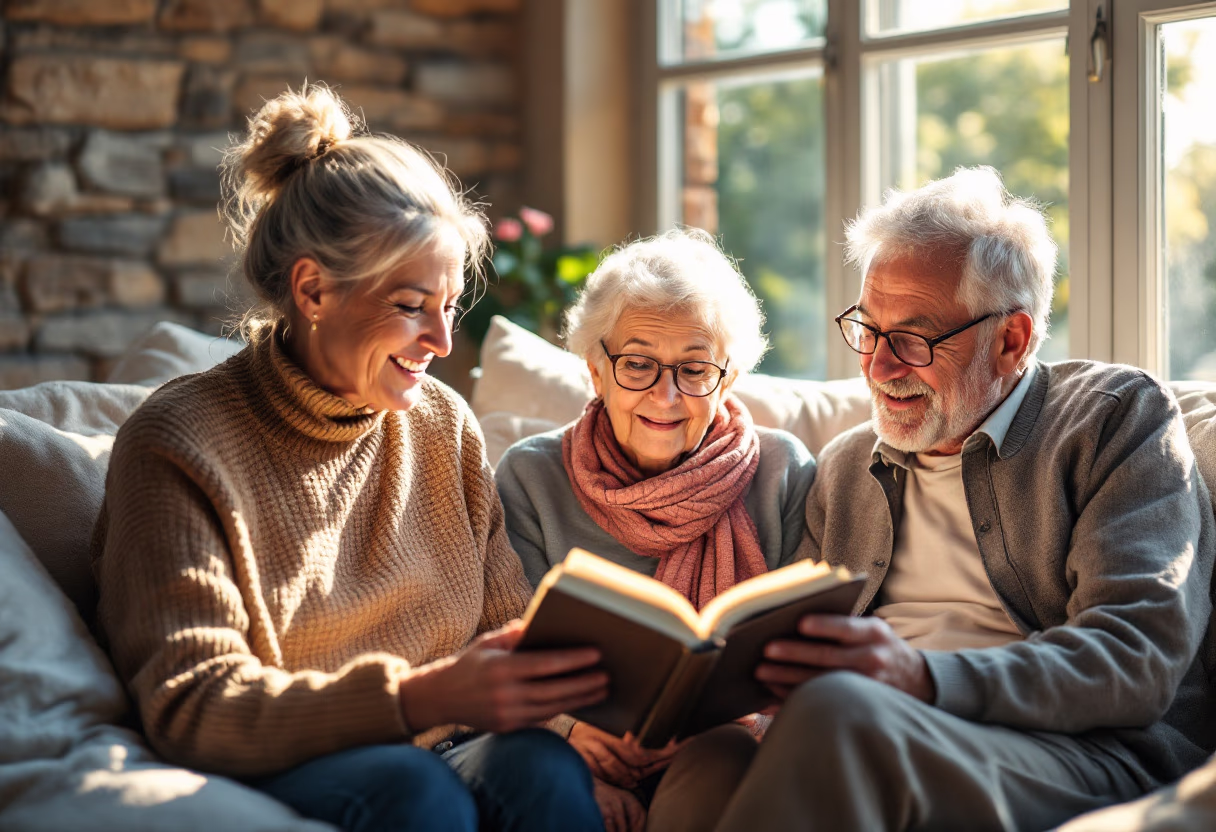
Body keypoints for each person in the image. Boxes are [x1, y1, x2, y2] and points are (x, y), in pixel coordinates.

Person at [91, 84, 608, 832]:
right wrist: (418, 699)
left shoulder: (442, 427)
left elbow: (504, 625)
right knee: (411, 790)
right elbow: (192, 703)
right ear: (313, 289)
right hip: (290, 762)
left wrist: (582, 721)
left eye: (450, 305)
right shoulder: (179, 441)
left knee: (542, 769)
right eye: (409, 304)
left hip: (444, 750)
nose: (441, 341)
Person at [709, 166, 1216, 831]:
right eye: (868, 329)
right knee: (705, 765)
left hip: (1082, 753)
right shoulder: (844, 468)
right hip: (870, 731)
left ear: (1011, 339)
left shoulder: (1115, 421)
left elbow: (1135, 660)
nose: (879, 366)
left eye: (914, 340)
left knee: (840, 712)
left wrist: (920, 677)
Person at [494, 229, 816, 831]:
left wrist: (729, 722)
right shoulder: (530, 476)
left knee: (721, 763)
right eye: (637, 364)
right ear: (596, 370)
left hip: (722, 745)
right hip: (571, 747)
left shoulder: (782, 471)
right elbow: (502, 635)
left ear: (729, 376)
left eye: (694, 368)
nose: (666, 397)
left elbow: (802, 659)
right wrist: (573, 742)